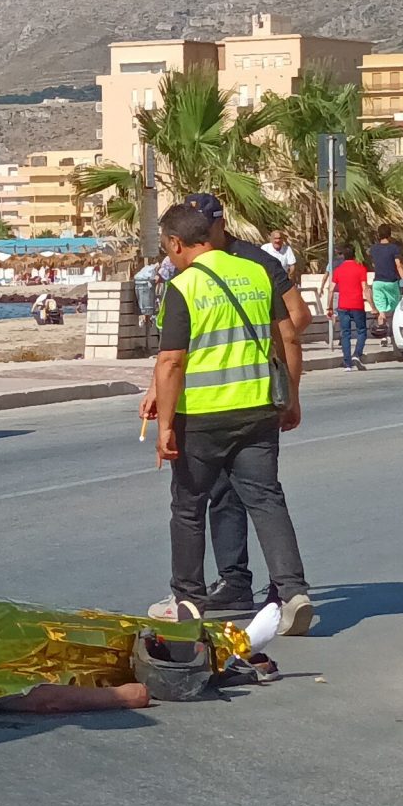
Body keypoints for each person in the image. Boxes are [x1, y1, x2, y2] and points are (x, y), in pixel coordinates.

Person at [145, 202, 315, 635]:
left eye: (167, 248)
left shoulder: (184, 287)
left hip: (201, 416)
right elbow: (290, 335)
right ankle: (293, 593)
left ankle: (186, 599)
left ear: (177, 243)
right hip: (257, 410)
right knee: (267, 500)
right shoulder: (258, 273)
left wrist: (165, 425)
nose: (168, 256)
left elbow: (171, 362)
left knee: (188, 506)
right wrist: (291, 398)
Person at [329, 249, 372, 369]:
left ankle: (347, 363)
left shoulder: (338, 270)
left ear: (343, 256)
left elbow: (331, 289)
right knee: (362, 331)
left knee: (345, 334)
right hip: (357, 305)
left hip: (343, 306)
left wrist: (329, 307)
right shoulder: (360, 268)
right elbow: (366, 289)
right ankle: (357, 355)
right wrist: (373, 307)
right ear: (354, 255)